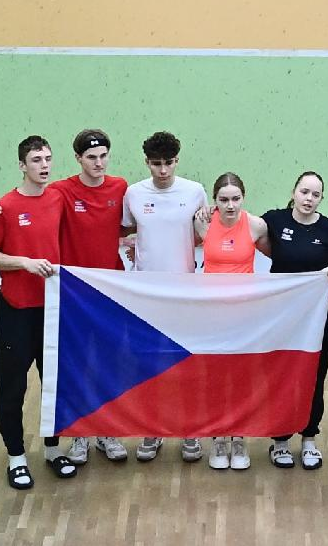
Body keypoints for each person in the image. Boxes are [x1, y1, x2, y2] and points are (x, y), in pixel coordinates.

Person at [0, 128, 131, 464]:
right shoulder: (57, 193)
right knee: (58, 372)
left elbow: (130, 222)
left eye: (103, 156)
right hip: (59, 298)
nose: (99, 162)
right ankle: (64, 439)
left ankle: (97, 434)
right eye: (91, 157)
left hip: (101, 293)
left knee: (96, 367)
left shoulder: (119, 187)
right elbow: (22, 204)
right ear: (78, 158)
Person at [0, 135, 77, 489]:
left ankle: (52, 450)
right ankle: (16, 457)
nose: (44, 165)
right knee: (13, 387)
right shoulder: (3, 206)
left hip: (52, 310)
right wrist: (24, 263)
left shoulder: (58, 196)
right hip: (16, 312)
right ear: (22, 165)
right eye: (36, 160)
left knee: (54, 383)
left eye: (48, 158)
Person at [121, 131, 208, 464]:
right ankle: (152, 429)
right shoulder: (133, 194)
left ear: (177, 161)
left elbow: (207, 235)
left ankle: (189, 431)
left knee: (184, 363)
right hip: (146, 296)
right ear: (147, 162)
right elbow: (126, 230)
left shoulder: (195, 192)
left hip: (185, 295)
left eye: (168, 163)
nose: (162, 170)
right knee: (149, 365)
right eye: (156, 163)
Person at [259, 171, 328, 470]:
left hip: (318, 317)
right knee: (282, 374)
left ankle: (309, 437)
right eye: (304, 192)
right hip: (282, 316)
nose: (309, 199)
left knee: (315, 375)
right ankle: (280, 440)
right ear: (294, 192)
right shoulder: (275, 220)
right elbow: (242, 224)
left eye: (315, 195)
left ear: (321, 198)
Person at [194, 171, 269, 471]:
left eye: (236, 199)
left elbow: (283, 255)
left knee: (240, 377)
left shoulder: (256, 225)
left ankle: (239, 438)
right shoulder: (202, 222)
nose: (230, 205)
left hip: (244, 315)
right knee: (215, 377)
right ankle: (218, 438)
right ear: (214, 201)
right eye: (223, 200)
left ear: (243, 198)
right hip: (212, 315)